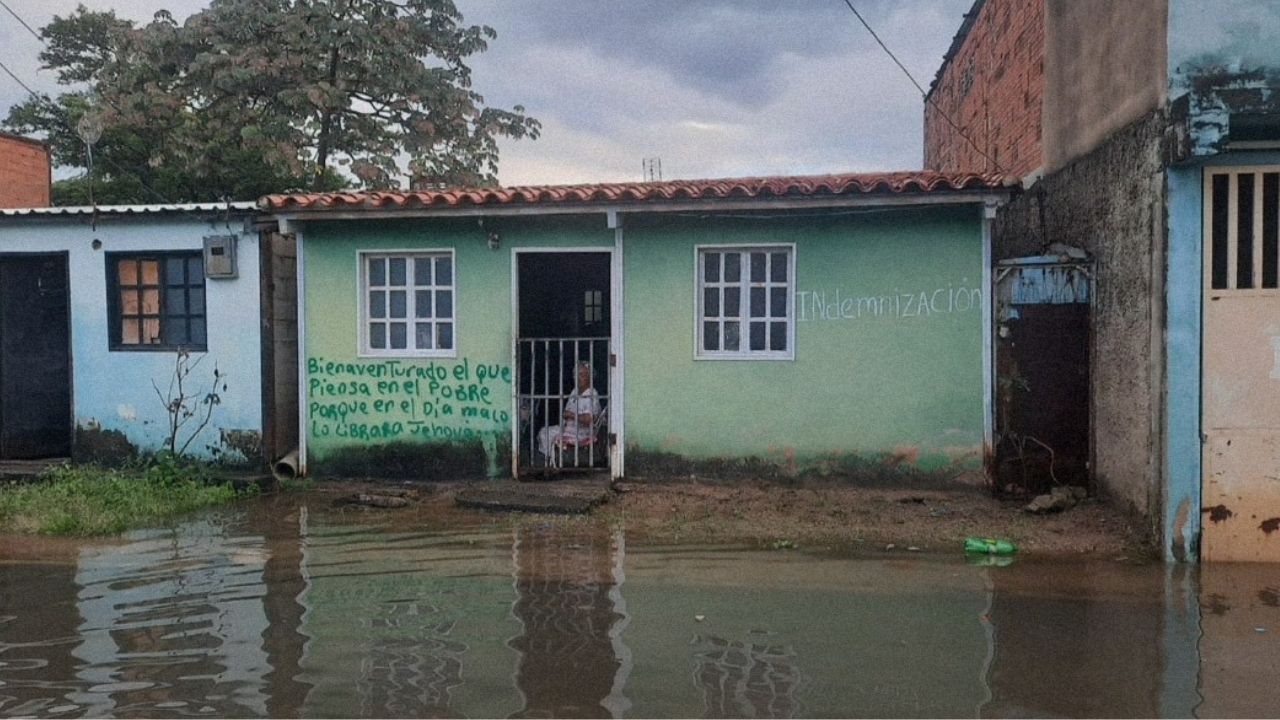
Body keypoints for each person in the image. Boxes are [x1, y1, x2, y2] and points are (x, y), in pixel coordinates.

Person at [537, 361, 602, 458]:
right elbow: (566, 411)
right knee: (543, 432)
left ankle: (553, 462)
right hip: (568, 428)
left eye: (580, 375)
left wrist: (572, 415)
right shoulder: (575, 391)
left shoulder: (592, 393)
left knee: (551, 436)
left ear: (589, 377)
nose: (577, 378)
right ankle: (551, 460)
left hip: (582, 432)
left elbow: (590, 419)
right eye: (575, 375)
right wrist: (566, 416)